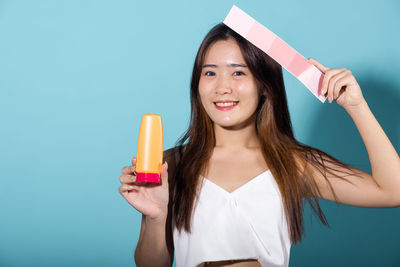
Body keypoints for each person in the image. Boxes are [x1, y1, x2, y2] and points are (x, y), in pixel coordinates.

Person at [119, 23, 400, 267]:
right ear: (197, 84)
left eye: (238, 73)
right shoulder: (172, 164)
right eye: (210, 73)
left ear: (264, 84)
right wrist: (155, 218)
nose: (222, 87)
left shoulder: (293, 164)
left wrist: (357, 106)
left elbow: (391, 191)